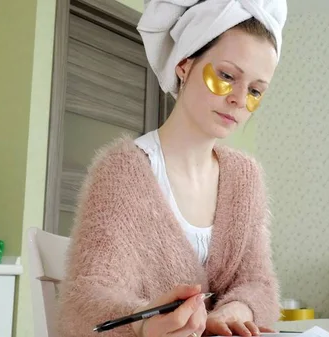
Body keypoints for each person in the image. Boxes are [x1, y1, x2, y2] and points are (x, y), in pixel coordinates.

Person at [56, 1, 287, 336]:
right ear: (184, 64)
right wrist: (142, 325)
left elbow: (258, 283)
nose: (239, 98)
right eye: (226, 76)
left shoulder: (245, 177)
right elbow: (87, 298)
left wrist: (235, 311)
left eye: (255, 90)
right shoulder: (122, 172)